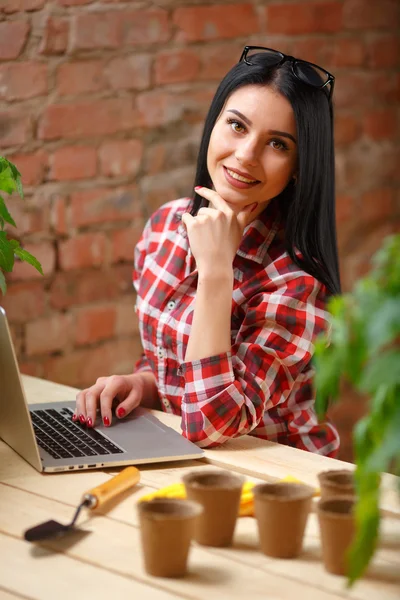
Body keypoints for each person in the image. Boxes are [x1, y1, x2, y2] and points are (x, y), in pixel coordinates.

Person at [74, 45, 341, 457]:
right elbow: (167, 360)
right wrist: (142, 386)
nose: (246, 155)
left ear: (299, 167)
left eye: (278, 145)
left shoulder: (299, 282)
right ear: (213, 125)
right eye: (237, 126)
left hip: (280, 485)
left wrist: (217, 271)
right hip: (188, 463)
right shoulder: (165, 227)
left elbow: (211, 425)